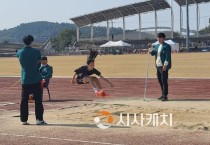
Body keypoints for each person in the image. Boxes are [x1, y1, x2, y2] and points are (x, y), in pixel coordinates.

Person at [17, 35, 47, 125]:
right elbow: (38, 64)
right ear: (32, 42)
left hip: (25, 79)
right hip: (35, 79)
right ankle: (39, 119)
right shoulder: (36, 51)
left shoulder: (19, 52)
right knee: (38, 100)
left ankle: (24, 120)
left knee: (24, 100)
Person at [148, 33, 172, 101]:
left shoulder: (167, 46)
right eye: (157, 38)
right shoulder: (157, 46)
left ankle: (165, 95)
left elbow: (168, 57)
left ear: (162, 38)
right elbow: (152, 53)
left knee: (164, 81)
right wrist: (150, 48)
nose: (157, 39)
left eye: (158, 38)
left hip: (163, 66)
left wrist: (165, 65)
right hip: (158, 65)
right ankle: (162, 94)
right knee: (160, 80)